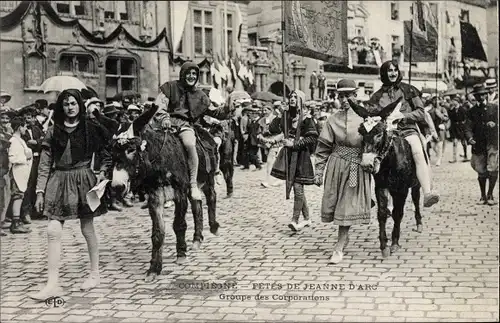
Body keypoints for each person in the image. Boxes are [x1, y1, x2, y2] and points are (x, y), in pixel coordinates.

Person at [29, 89, 112, 300]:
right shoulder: (53, 130)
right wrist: (40, 191)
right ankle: (52, 284)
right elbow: (45, 164)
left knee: (87, 227)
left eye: (73, 103)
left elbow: (106, 152)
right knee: (53, 230)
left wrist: (103, 171)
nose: (70, 107)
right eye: (66, 104)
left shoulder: (90, 127)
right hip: (59, 181)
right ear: (61, 107)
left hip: (83, 180)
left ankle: (95, 274)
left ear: (79, 105)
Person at [351, 60, 439, 207]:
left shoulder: (409, 90)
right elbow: (372, 115)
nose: (392, 73)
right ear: (384, 73)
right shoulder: (376, 96)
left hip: (407, 130)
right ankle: (367, 195)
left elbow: (421, 113)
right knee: (366, 154)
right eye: (389, 71)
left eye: (395, 70)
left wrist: (403, 116)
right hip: (387, 133)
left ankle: (427, 192)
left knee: (417, 151)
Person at [314, 80, 372, 264]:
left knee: (346, 205)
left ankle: (339, 246)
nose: (345, 99)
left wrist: (371, 158)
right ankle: (344, 238)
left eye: (349, 95)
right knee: (336, 203)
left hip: (356, 165)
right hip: (336, 166)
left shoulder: (367, 118)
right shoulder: (332, 120)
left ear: (356, 95)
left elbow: (374, 144)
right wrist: (319, 171)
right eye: (341, 96)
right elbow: (323, 147)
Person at [154, 62, 230, 200]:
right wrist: (164, 118)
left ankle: (193, 184)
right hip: (166, 124)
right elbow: (160, 106)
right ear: (182, 74)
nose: (191, 76)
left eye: (194, 74)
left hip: (184, 125)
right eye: (188, 73)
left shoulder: (200, 95)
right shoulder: (169, 87)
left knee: (189, 144)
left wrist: (228, 107)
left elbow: (214, 111)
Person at [270, 90, 318, 232]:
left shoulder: (306, 119)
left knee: (298, 188)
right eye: (290, 96)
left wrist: (295, 144)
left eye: (295, 97)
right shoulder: (287, 116)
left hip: (301, 157)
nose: (292, 99)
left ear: (301, 100)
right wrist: (280, 114)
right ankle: (307, 218)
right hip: (289, 157)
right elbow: (273, 129)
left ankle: (295, 220)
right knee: (297, 188)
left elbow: (312, 138)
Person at [465, 84, 498, 206]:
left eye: (483, 94)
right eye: (478, 95)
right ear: (475, 96)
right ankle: (482, 195)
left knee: (493, 167)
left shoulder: (494, 108)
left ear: (486, 95)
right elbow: (467, 127)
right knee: (481, 170)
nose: (481, 97)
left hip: (493, 142)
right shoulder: (471, 111)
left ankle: (490, 194)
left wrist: (495, 125)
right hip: (478, 144)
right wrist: (469, 138)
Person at [7, 117, 33, 234]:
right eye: (24, 127)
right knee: (17, 196)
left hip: (22, 172)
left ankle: (17, 221)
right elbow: (12, 158)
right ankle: (15, 223)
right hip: (17, 171)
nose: (25, 129)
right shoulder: (13, 141)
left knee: (20, 195)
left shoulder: (20, 140)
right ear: (19, 127)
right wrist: (25, 158)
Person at [19, 106, 44, 222]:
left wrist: (36, 142)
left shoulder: (37, 129)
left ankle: (37, 211)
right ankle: (25, 212)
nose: (31, 120)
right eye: (28, 117)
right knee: (27, 186)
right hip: (27, 160)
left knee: (36, 184)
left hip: (37, 160)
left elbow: (44, 140)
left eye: (33, 117)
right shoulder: (20, 130)